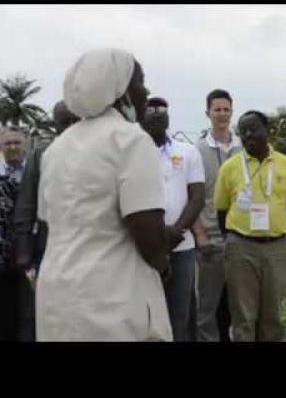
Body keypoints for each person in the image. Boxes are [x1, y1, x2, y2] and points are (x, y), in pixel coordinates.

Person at [36, 48, 172, 341]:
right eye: (140, 82)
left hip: (57, 294)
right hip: (113, 298)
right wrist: (163, 264)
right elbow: (146, 228)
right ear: (121, 91)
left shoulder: (56, 149)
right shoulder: (131, 140)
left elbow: (49, 222)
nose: (145, 91)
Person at [214, 110, 286, 342]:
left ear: (268, 130)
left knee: (273, 315)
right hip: (240, 246)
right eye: (243, 131)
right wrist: (236, 238)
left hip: (276, 248)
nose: (248, 134)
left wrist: (269, 224)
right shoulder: (230, 167)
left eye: (253, 128)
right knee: (243, 315)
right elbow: (221, 209)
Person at [13, 101, 79, 341]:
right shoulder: (42, 153)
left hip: (86, 248)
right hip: (49, 247)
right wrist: (23, 250)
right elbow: (26, 204)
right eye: (65, 122)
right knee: (42, 313)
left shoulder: (95, 150)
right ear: (56, 124)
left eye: (75, 121)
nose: (70, 126)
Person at [142, 96, 205, 342]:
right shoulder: (132, 152)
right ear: (140, 116)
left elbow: (197, 197)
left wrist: (175, 232)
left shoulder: (187, 151)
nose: (158, 114)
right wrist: (157, 235)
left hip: (182, 245)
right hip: (144, 246)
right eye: (152, 110)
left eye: (163, 110)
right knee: (145, 315)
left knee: (180, 315)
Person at [193, 89, 241, 342]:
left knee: (240, 305)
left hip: (243, 237)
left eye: (226, 109)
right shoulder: (197, 150)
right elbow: (192, 197)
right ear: (208, 113)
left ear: (232, 111)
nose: (222, 114)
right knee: (207, 307)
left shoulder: (244, 147)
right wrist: (200, 233)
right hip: (210, 236)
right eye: (217, 109)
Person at [0, 127, 26, 341]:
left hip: (27, 251)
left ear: (24, 145)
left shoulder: (34, 175)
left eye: (17, 143)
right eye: (8, 144)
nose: (13, 147)